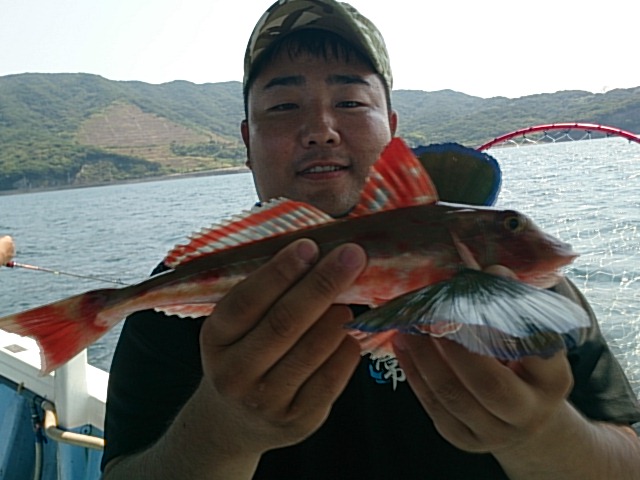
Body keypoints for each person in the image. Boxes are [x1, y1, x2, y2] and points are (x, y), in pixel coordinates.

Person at [102, 1, 640, 478]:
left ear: (392, 127)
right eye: (284, 106)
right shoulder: (176, 299)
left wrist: (544, 436)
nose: (320, 129)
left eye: (351, 102)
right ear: (247, 141)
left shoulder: (522, 292)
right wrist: (224, 430)